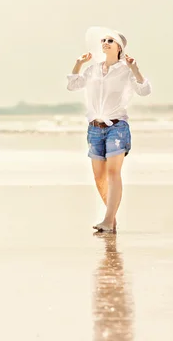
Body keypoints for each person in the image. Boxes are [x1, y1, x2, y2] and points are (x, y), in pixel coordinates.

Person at [66, 26, 152, 233]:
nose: (105, 43)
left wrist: (135, 70)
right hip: (94, 128)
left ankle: (107, 219)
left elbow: (144, 90)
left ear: (119, 47)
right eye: (103, 40)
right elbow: (73, 85)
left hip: (117, 127)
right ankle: (111, 220)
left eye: (110, 41)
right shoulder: (93, 69)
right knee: (99, 176)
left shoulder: (125, 70)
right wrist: (78, 63)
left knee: (114, 173)